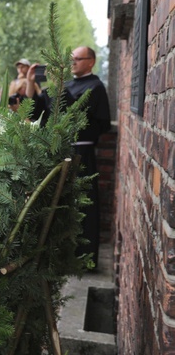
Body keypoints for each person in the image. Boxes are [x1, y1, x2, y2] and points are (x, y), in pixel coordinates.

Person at [25, 46, 111, 268]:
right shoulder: (67, 85)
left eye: (77, 59)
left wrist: (59, 85)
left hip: (81, 153)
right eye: (70, 59)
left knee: (84, 206)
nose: (72, 63)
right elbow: (34, 111)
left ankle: (84, 261)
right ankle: (56, 259)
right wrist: (29, 81)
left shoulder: (96, 87)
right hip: (57, 150)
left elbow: (77, 113)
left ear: (91, 61)